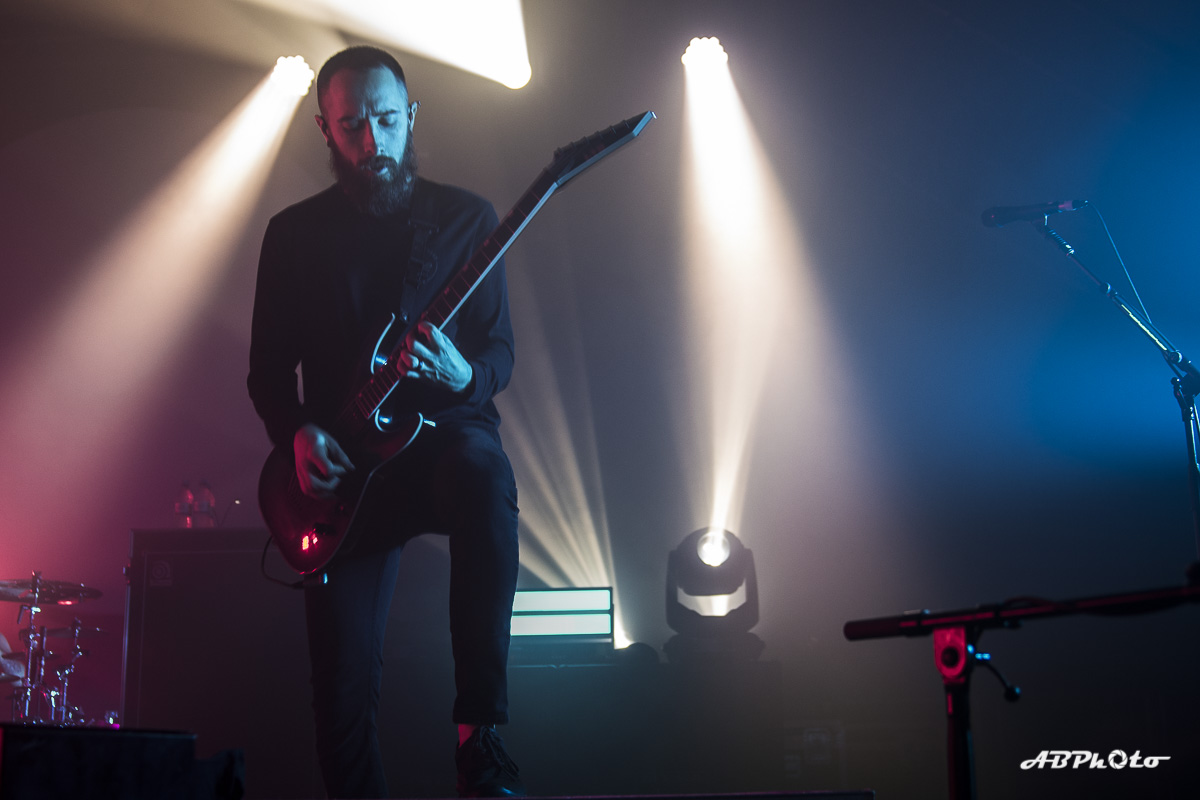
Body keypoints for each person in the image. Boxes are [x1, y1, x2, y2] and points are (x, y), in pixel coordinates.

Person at [247, 45, 524, 799]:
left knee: (484, 474)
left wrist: (464, 376)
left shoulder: (467, 220)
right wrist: (296, 433)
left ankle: (479, 738)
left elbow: (498, 350)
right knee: (339, 692)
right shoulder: (293, 234)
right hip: (345, 469)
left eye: (388, 120)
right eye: (352, 126)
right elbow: (267, 372)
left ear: (412, 116)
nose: (373, 141)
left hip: (442, 442)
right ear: (324, 128)